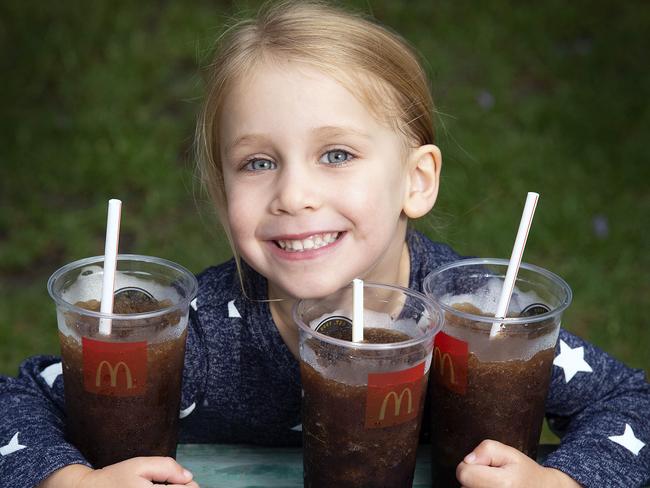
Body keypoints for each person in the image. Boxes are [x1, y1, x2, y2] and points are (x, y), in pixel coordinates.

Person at [1, 2, 648, 487]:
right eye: (257, 163)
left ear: (416, 181)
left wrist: (562, 479)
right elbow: (15, 400)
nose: (294, 194)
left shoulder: (476, 325)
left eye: (336, 154)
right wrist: (70, 479)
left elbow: (633, 405)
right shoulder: (194, 336)